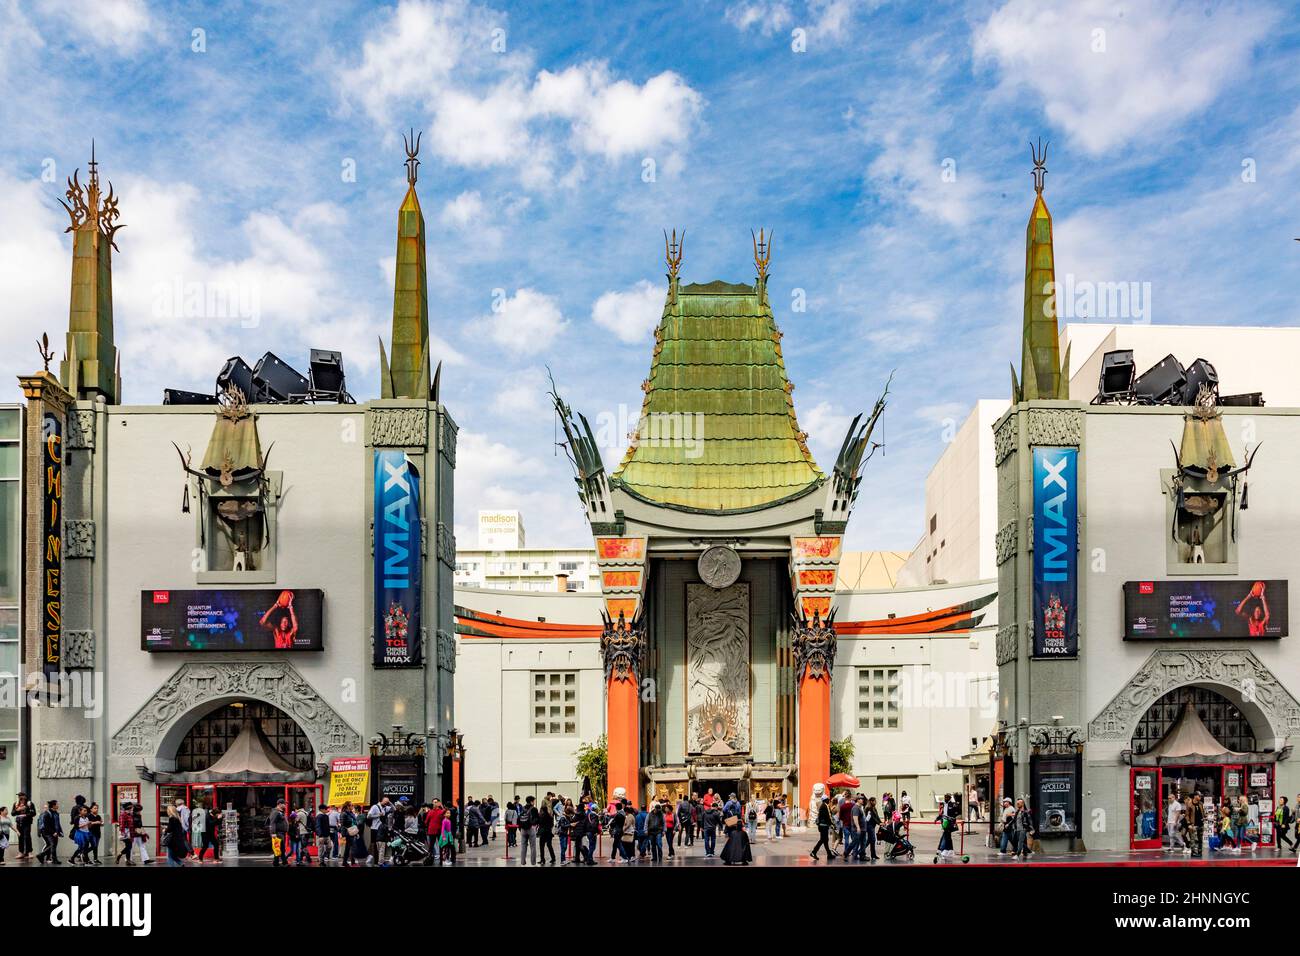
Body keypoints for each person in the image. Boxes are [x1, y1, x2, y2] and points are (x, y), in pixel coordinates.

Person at [809, 794, 836, 861]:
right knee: (822, 840)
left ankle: (829, 854)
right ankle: (814, 852)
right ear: (826, 800)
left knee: (825, 840)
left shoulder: (823, 805)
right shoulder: (825, 806)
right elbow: (828, 816)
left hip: (822, 826)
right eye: (828, 799)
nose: (829, 800)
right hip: (824, 826)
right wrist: (832, 824)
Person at [37, 799, 62, 864]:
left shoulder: (56, 813)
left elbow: (57, 823)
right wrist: (53, 832)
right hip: (49, 833)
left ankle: (53, 859)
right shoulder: (47, 813)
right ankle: (41, 855)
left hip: (55, 832)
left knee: (54, 845)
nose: (58, 805)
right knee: (53, 845)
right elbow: (46, 825)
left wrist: (59, 831)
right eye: (57, 804)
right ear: (53, 805)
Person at [13, 793, 34, 860]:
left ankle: (29, 852)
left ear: (25, 796)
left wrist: (26, 812)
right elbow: (12, 813)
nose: (20, 797)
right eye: (19, 796)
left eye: (21, 796)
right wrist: (17, 810)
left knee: (27, 836)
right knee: (20, 837)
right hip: (19, 823)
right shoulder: (16, 803)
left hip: (27, 823)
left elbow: (33, 813)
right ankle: (21, 852)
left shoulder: (29, 803)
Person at [269, 799, 290, 866]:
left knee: (281, 849)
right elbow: (272, 823)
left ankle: (279, 862)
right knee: (278, 848)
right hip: (278, 833)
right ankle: (279, 862)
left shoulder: (281, 812)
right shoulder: (275, 812)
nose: (285, 805)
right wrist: (273, 833)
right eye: (284, 804)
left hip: (282, 833)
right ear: (280, 804)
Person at [517, 796, 538, 865]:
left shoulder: (523, 808)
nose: (534, 802)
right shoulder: (534, 809)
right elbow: (537, 819)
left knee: (523, 847)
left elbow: (518, 819)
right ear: (531, 801)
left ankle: (522, 862)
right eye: (534, 801)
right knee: (533, 847)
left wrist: (520, 828)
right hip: (531, 829)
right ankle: (533, 862)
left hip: (523, 829)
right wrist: (535, 826)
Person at [340, 802, 359, 866]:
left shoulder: (351, 813)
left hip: (353, 832)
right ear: (348, 806)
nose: (353, 806)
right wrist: (343, 835)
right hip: (347, 833)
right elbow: (342, 825)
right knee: (350, 848)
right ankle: (346, 862)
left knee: (351, 848)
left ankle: (349, 861)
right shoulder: (344, 814)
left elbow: (354, 822)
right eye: (351, 805)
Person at [1187, 792, 1205, 858]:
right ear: (1195, 796)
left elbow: (1202, 812)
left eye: (1200, 796)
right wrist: (1189, 823)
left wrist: (1204, 817)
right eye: (1199, 796)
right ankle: (1193, 852)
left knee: (1200, 839)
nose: (1200, 797)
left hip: (1201, 824)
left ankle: (1200, 851)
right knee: (1193, 839)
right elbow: (1187, 815)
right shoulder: (1189, 804)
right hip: (1193, 824)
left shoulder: (1201, 803)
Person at [538, 800, 556, 865]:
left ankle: (542, 859)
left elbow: (539, 824)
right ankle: (553, 858)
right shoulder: (550, 816)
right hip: (548, 833)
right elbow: (551, 824)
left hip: (543, 833)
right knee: (549, 845)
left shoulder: (541, 817)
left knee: (541, 846)